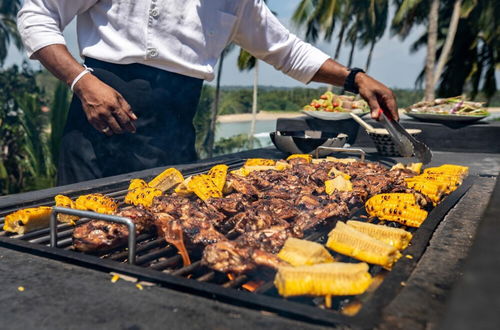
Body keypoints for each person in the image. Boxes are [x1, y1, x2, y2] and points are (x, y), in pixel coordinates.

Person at [17, 0, 399, 185]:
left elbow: (287, 51)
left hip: (174, 138)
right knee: (83, 243)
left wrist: (355, 78)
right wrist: (82, 82)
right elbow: (37, 14)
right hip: (98, 128)